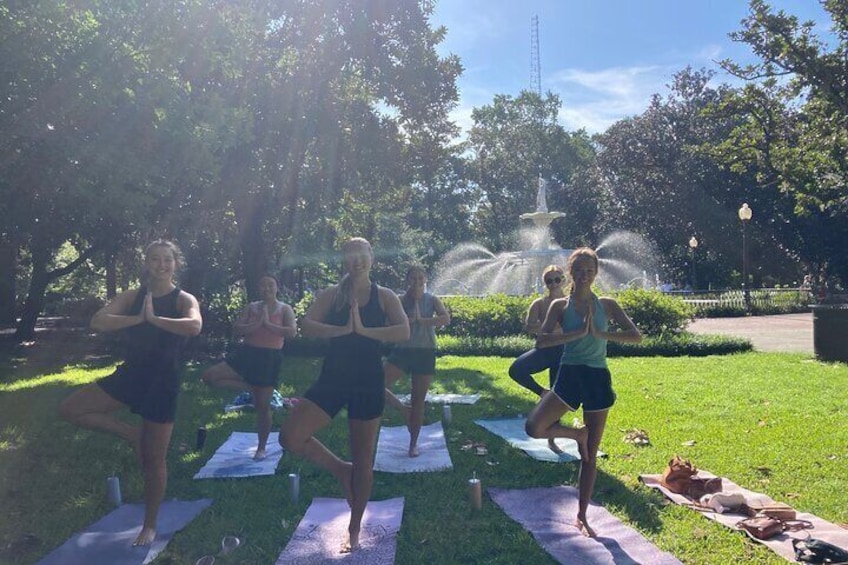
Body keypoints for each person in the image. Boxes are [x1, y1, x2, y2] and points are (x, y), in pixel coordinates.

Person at [60, 240, 202, 546]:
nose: (161, 265)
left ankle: (149, 525)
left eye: (167, 260)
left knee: (154, 459)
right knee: (72, 409)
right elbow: (98, 320)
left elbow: (194, 326)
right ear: (146, 263)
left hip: (162, 382)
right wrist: (139, 318)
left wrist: (156, 321)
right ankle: (131, 432)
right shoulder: (133, 296)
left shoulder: (182, 298)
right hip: (132, 375)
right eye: (154, 259)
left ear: (176, 263)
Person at [279, 237, 409, 553]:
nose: (356, 260)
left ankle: (354, 528)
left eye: (361, 254)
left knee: (364, 458)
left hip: (367, 380)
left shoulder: (385, 296)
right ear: (345, 261)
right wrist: (343, 330)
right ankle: (340, 468)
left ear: (371, 258)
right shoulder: (330, 296)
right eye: (350, 255)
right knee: (290, 437)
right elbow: (307, 325)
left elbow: (403, 331)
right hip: (333, 378)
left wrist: (364, 331)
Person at [524, 247, 642, 538]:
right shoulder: (559, 306)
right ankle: (578, 434)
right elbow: (541, 341)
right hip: (570, 374)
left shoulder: (607, 304)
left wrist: (602, 335)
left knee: (589, 456)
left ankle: (582, 515)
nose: (584, 275)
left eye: (590, 270)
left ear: (596, 272)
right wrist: (575, 334)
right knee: (534, 427)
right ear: (571, 272)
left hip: (597, 377)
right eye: (579, 270)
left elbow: (635, 336)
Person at [200, 275, 296, 460]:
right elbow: (237, 328)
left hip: (269, 358)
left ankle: (261, 448)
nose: (267, 288)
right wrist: (257, 323)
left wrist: (268, 324)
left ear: (277, 287)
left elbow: (291, 332)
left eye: (270, 285)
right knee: (209, 376)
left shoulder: (285, 309)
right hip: (247, 354)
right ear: (258, 288)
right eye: (263, 285)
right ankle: (252, 387)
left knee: (262, 406)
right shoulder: (252, 308)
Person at [383, 266, 451, 457]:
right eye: (413, 278)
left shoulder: (432, 299)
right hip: (402, 351)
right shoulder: (399, 300)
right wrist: (406, 321)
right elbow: (388, 323)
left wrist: (423, 320)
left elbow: (445, 319)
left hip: (425, 352)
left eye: (421, 277)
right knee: (374, 383)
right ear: (407, 280)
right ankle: (403, 409)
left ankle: (413, 445)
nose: (417, 281)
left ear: (425, 279)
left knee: (418, 400)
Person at [508, 264, 566, 397]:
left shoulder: (571, 302)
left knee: (558, 392)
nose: (554, 284)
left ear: (563, 280)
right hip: (545, 348)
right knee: (516, 370)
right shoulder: (539, 303)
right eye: (549, 281)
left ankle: (553, 414)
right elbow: (529, 326)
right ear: (545, 283)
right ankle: (543, 392)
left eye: (557, 279)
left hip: (565, 350)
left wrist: (547, 328)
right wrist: (555, 328)